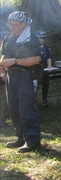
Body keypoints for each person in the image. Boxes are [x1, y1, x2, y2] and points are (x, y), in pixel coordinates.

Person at [0, 12, 42, 152]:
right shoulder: (9, 38)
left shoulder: (31, 39)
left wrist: (15, 61)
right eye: (10, 24)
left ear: (24, 24)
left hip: (26, 76)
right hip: (11, 76)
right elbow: (4, 55)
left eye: (15, 25)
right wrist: (3, 71)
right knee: (14, 108)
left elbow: (36, 60)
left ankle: (32, 140)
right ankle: (21, 137)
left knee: (26, 108)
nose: (12, 27)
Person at [37, 30, 53, 107]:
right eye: (39, 38)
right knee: (35, 85)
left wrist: (49, 65)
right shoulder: (33, 47)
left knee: (46, 83)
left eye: (43, 38)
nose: (41, 40)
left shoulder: (46, 48)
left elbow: (49, 57)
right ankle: (34, 101)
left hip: (44, 68)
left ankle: (44, 99)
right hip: (35, 68)